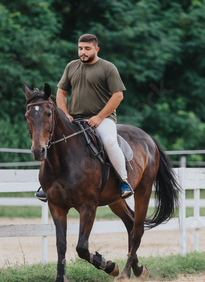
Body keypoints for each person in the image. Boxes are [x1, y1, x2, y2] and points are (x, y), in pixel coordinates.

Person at [35, 34, 134, 201]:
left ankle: (123, 181)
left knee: (109, 142)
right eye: (80, 48)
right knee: (53, 142)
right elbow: (61, 92)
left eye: (87, 49)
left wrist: (99, 117)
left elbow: (118, 96)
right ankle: (47, 185)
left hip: (103, 119)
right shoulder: (71, 67)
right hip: (74, 119)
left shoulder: (108, 68)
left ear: (96, 49)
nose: (83, 52)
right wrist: (65, 114)